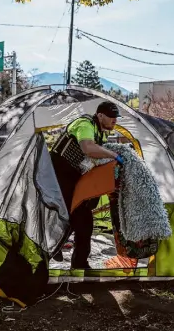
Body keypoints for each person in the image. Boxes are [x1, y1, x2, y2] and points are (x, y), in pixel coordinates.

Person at [50, 101, 123, 269]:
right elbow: (88, 148)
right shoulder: (84, 124)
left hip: (76, 175)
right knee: (69, 215)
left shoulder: (101, 132)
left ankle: (79, 263)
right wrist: (114, 155)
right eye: (111, 117)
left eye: (116, 117)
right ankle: (54, 247)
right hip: (58, 174)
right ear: (100, 116)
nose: (114, 120)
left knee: (84, 220)